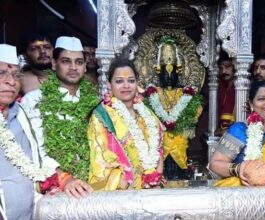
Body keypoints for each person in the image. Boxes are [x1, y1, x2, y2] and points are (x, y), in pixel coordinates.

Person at [0, 44, 91, 220]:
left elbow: (38, 157)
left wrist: (64, 179)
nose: (11, 81)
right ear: (55, 64)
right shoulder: (32, 102)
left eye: (15, 75)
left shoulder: (20, 114)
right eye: (1, 73)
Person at [21, 36, 100, 181]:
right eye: (65, 61)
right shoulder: (34, 100)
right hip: (54, 185)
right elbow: (34, 149)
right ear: (53, 64)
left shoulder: (96, 103)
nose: (73, 68)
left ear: (84, 67)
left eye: (79, 62)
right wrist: (64, 178)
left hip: (94, 181)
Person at [88, 59, 164, 190]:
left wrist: (155, 179)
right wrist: (130, 185)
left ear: (137, 83)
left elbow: (159, 149)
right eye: (119, 81)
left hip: (152, 189)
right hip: (121, 193)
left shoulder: (148, 115)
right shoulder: (102, 116)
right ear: (109, 85)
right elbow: (100, 160)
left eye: (131, 80)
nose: (126, 85)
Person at [209, 81, 265, 187]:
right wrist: (238, 169)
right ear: (251, 104)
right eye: (261, 99)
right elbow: (215, 164)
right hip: (241, 196)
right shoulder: (240, 130)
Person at [144, 36, 203, 180]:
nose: (169, 77)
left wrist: (180, 120)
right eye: (166, 73)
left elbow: (195, 112)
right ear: (159, 72)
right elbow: (146, 115)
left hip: (179, 141)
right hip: (159, 142)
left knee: (178, 172)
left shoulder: (185, 93)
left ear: (179, 72)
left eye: (173, 73)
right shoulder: (152, 94)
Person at [216, 52, 236, 136]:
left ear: (236, 67)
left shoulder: (241, 88)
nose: (223, 71)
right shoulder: (223, 89)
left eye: (227, 67)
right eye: (221, 68)